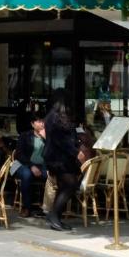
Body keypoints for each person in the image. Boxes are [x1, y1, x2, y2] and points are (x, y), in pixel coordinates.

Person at [44, 99, 81, 232]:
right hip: (60, 159)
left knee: (63, 186)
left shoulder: (52, 118)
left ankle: (55, 217)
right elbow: (62, 141)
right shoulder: (57, 120)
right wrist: (76, 152)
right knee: (71, 184)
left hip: (59, 158)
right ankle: (54, 215)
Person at [13, 113, 47, 217]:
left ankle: (46, 207)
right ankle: (26, 207)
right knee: (27, 175)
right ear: (32, 124)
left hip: (42, 165)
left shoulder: (48, 137)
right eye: (39, 121)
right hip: (24, 164)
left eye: (43, 121)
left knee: (53, 176)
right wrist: (31, 166)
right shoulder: (25, 136)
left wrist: (46, 138)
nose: (42, 123)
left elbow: (53, 153)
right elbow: (19, 154)